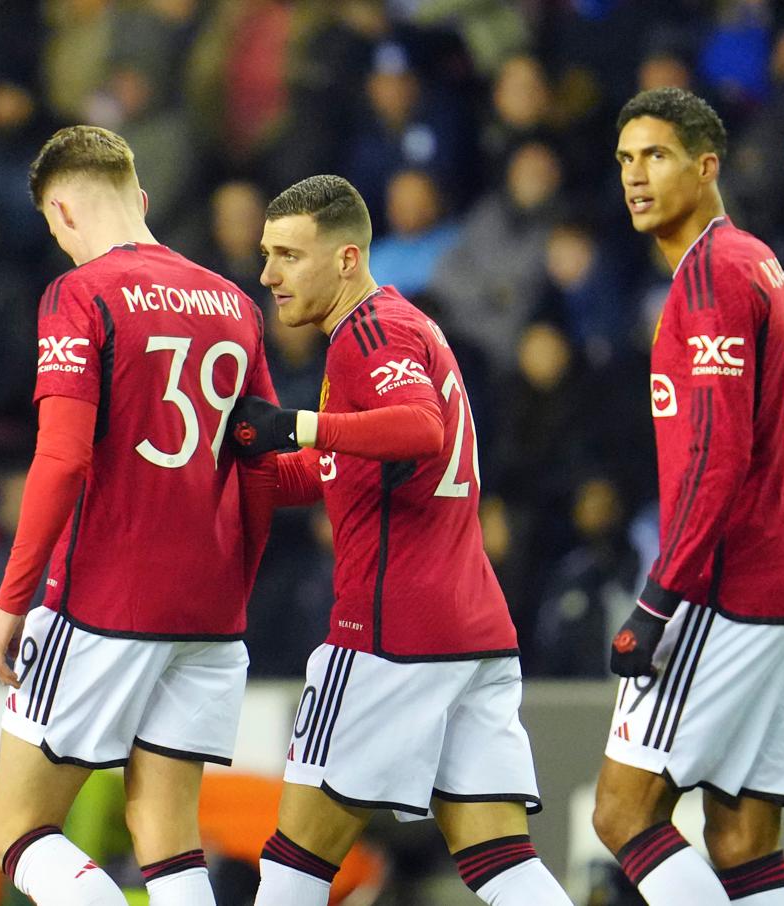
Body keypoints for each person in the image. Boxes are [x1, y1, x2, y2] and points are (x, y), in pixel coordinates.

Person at [227, 174, 572, 906]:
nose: (268, 275)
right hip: (473, 631)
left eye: (289, 255)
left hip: (390, 636)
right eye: (266, 254)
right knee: (501, 863)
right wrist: (227, 467)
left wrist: (296, 423)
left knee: (294, 861)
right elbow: (333, 471)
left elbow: (421, 428)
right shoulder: (404, 326)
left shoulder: (368, 336)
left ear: (347, 258)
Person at [0, 125, 277, 906]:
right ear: (140, 199)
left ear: (66, 212)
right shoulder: (234, 303)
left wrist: (13, 598)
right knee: (168, 839)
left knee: (14, 831)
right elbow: (267, 464)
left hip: (106, 598)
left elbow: (63, 458)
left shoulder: (78, 294)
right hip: (210, 613)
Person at [592, 87, 784, 905]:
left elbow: (714, 460)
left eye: (656, 157)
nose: (635, 176)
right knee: (742, 838)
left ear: (707, 166)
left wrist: (659, 600)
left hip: (731, 586)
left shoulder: (709, 280)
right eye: (626, 160)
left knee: (623, 814)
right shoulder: (758, 263)